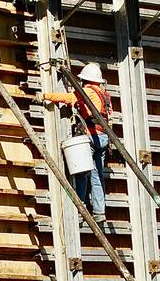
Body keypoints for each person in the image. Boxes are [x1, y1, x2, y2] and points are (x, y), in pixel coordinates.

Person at [42, 63, 113, 228]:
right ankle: (99, 211)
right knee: (97, 175)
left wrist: (45, 95)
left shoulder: (87, 91)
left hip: (91, 136)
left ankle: (80, 209)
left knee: (81, 172)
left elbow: (69, 98)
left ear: (85, 80)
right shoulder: (105, 95)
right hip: (103, 137)